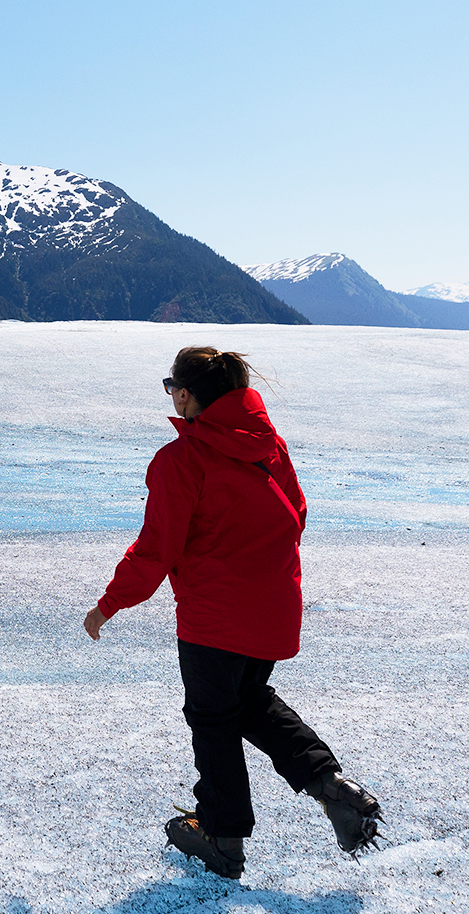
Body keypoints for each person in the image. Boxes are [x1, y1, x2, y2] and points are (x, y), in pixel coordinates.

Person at [83, 347, 382, 880]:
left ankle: (221, 838)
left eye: (173, 386)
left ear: (186, 393)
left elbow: (157, 548)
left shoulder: (182, 460)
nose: (172, 395)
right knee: (247, 702)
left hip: (214, 618)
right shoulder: (270, 447)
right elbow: (297, 513)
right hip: (271, 609)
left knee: (213, 718)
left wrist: (109, 604)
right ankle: (332, 786)